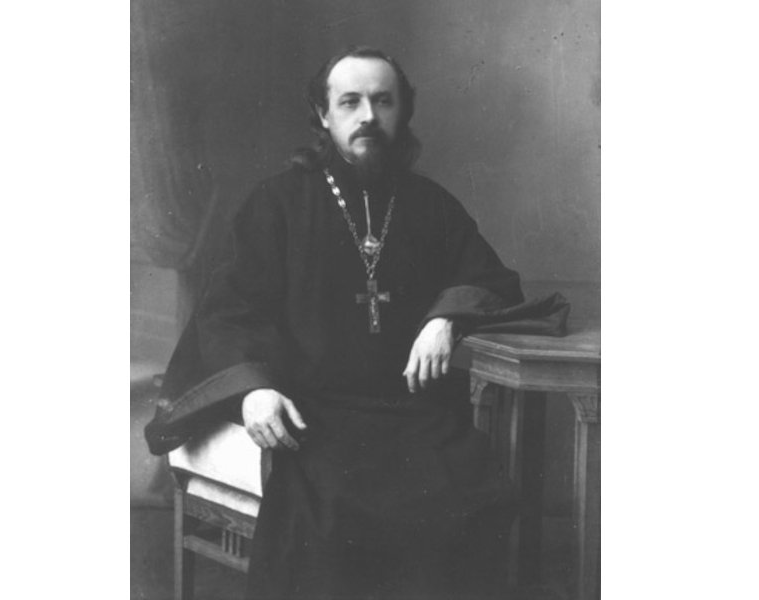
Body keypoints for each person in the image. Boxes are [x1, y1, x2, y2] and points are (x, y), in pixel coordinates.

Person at [146, 46, 566, 599]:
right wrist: (254, 391)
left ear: (402, 112)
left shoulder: (431, 205)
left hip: (413, 413)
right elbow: (228, 310)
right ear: (324, 115)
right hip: (311, 411)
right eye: (350, 102)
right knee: (328, 509)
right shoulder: (277, 204)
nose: (368, 115)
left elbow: (488, 278)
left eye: (382, 101)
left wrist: (446, 318)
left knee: (463, 493)